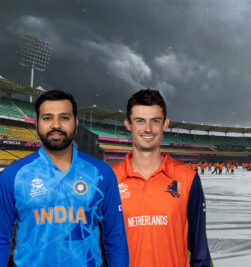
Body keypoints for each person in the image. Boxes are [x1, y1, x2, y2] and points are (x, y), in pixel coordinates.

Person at [0, 90, 129, 267]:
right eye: (47, 118)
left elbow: (116, 238)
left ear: (75, 124)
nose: (56, 125)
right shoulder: (13, 175)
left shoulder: (101, 173)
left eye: (64, 117)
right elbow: (1, 239)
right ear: (36, 124)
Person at [112, 89, 211, 267]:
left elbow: (199, 250)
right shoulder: (109, 180)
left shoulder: (188, 179)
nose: (148, 129)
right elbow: (98, 248)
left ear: (165, 124)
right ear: (128, 124)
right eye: (140, 121)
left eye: (155, 121)